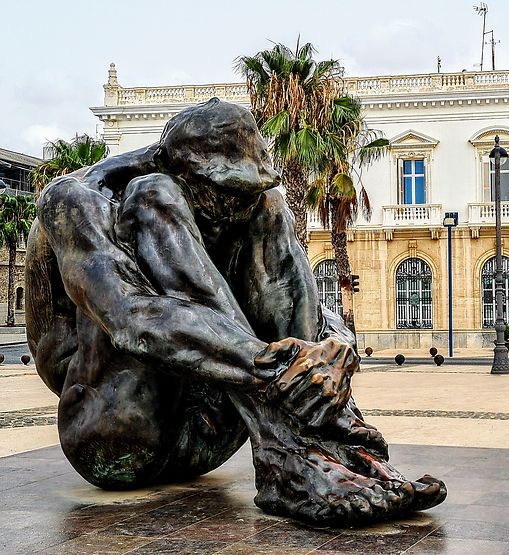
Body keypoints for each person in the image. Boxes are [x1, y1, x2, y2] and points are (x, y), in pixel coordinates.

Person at [26, 98, 445, 524]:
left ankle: (336, 445)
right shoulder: (76, 201)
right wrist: (276, 369)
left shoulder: (251, 205)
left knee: (271, 206)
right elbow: (131, 319)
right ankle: (292, 457)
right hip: (115, 430)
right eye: (224, 193)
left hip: (213, 430)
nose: (236, 208)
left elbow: (300, 300)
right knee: (153, 198)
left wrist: (332, 349)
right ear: (179, 166)